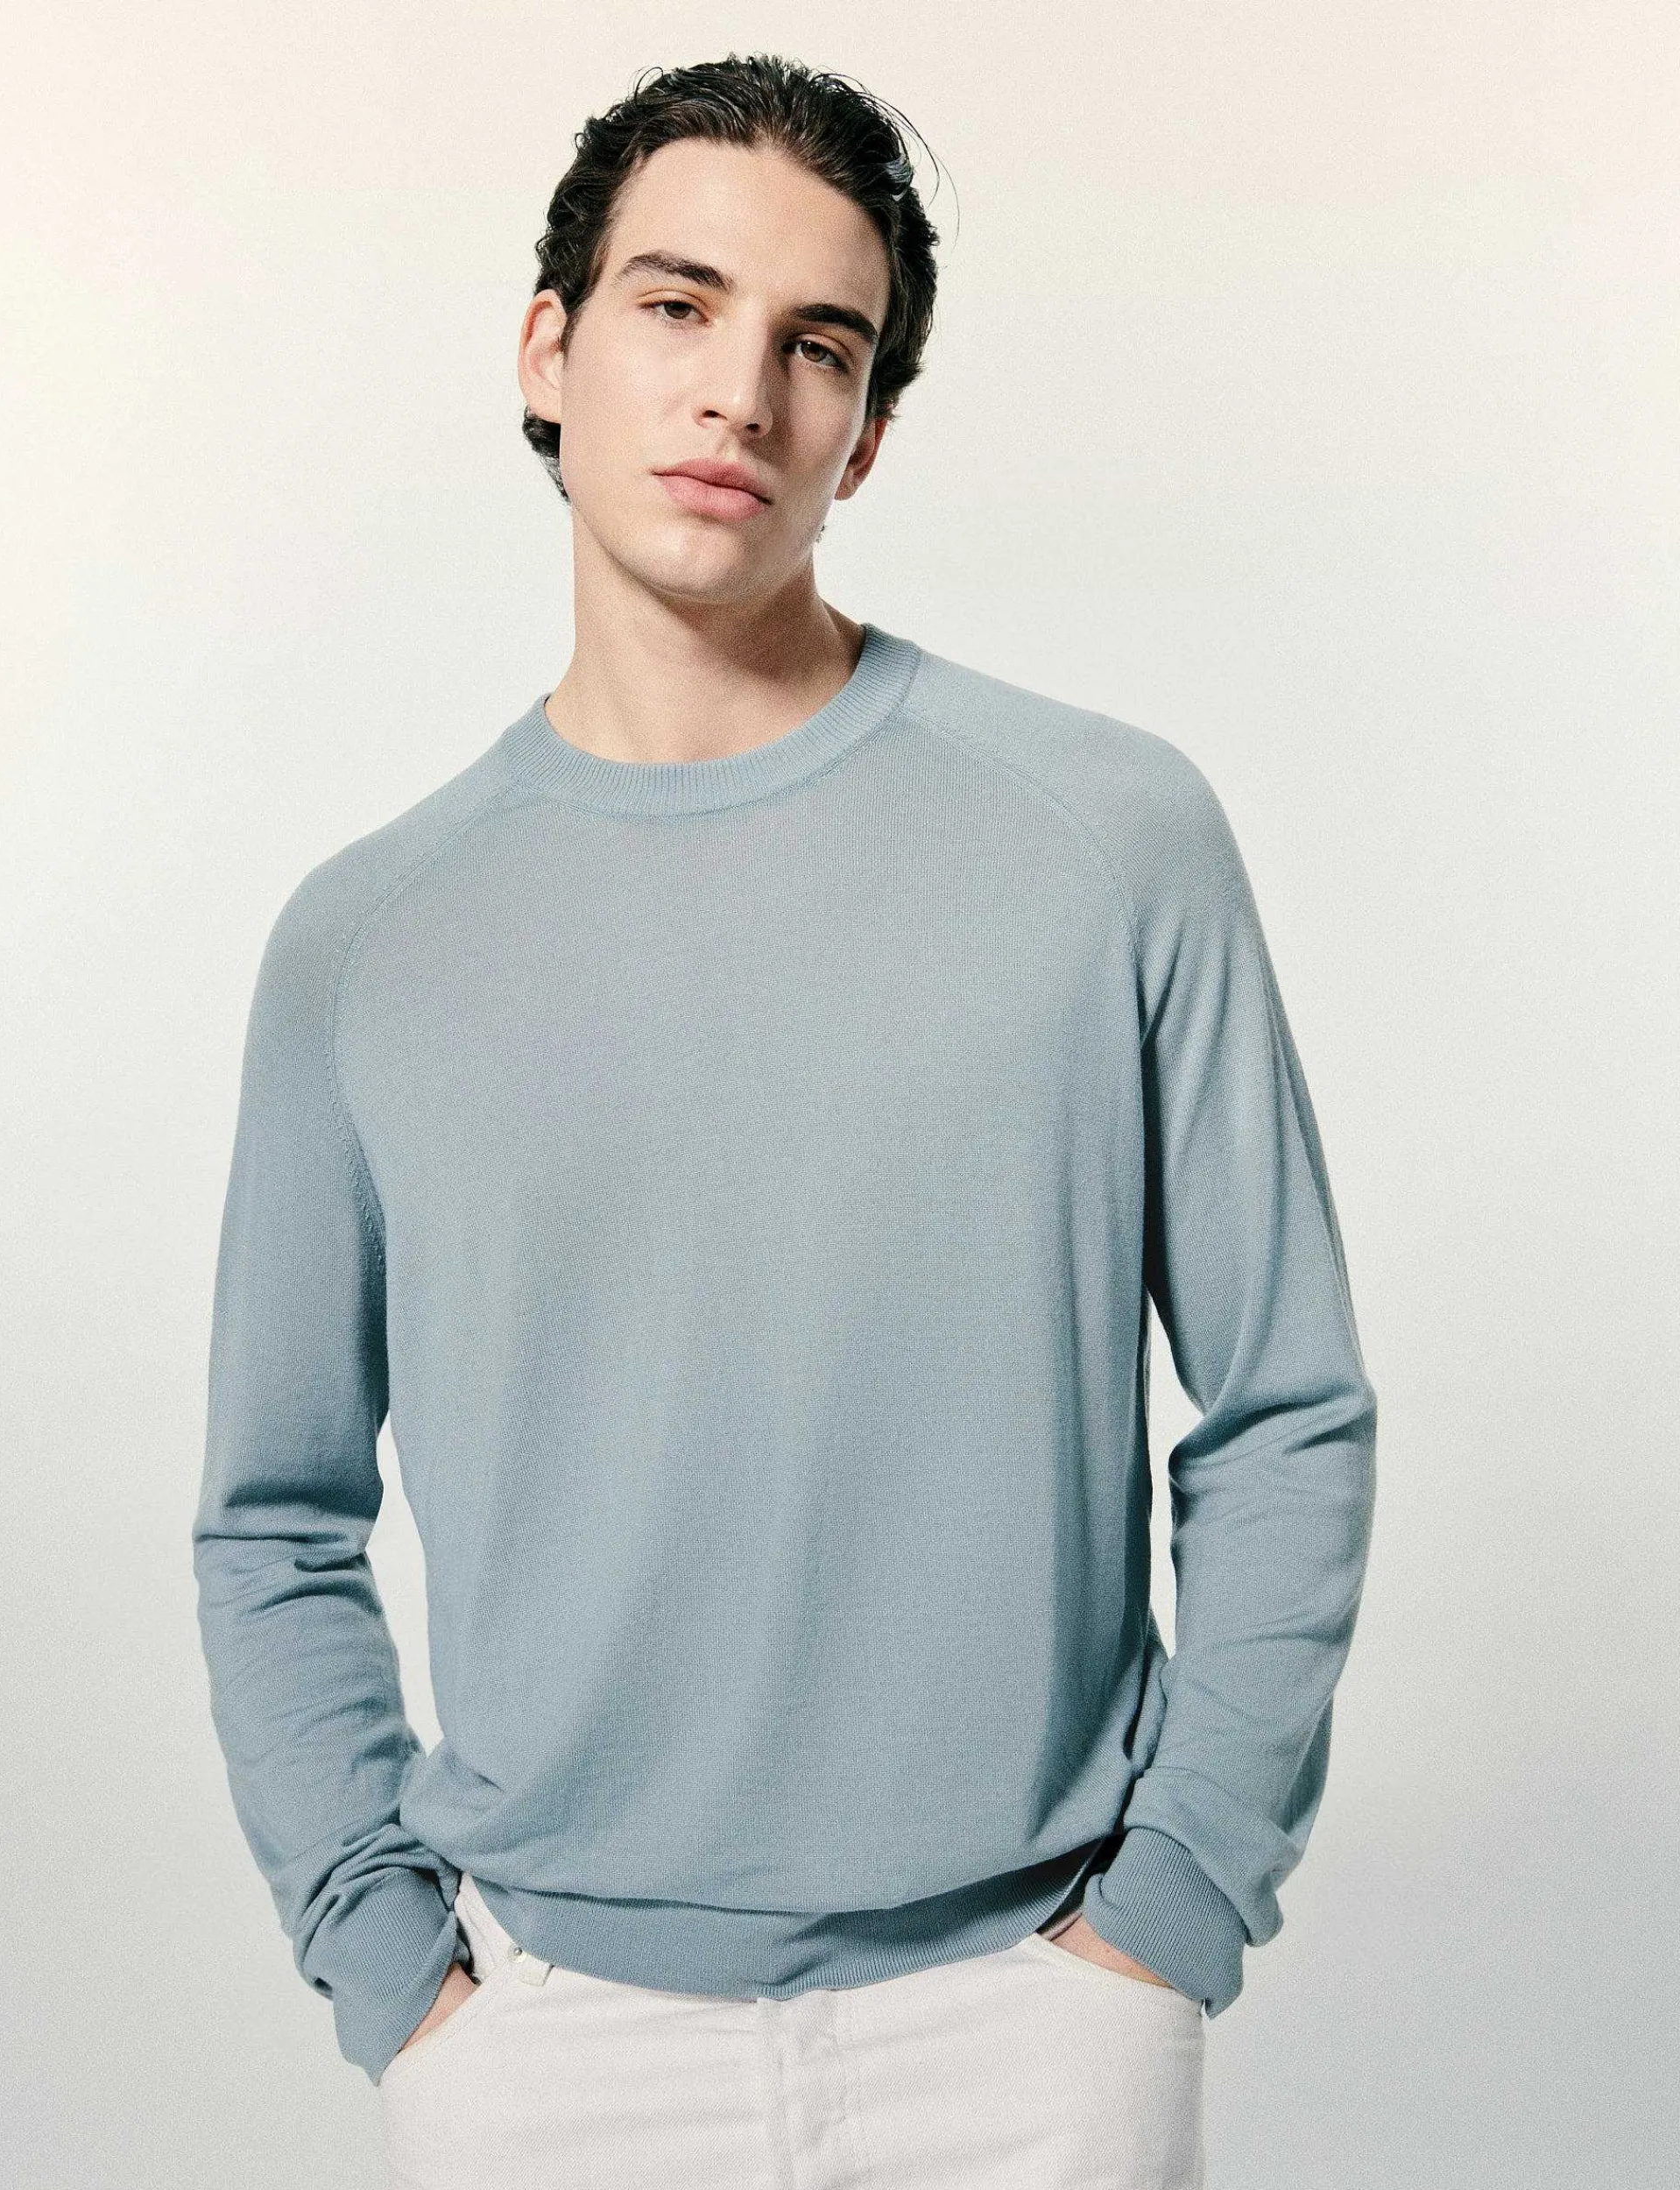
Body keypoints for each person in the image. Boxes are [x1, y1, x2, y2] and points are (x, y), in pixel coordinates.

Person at [192, 51, 1377, 2190]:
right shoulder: (366, 944)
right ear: (548, 351)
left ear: (867, 431)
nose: (738, 390)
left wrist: (1173, 1909)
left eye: (816, 345)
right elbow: (272, 1517)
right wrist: (392, 1968)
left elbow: (1286, 1403)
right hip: (546, 2047)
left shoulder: (1110, 839)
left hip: (1034, 2018)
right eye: (676, 304)